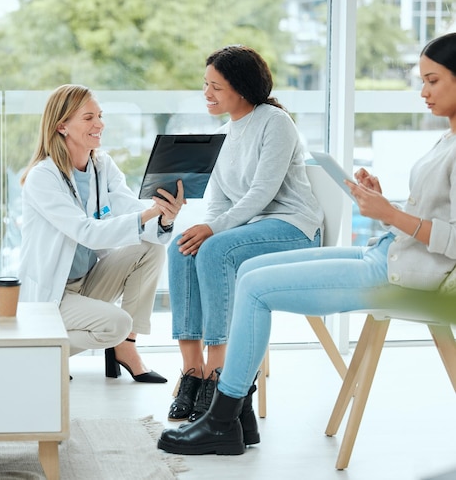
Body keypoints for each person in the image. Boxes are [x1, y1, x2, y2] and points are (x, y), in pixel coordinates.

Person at [158, 32, 456, 455]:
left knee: (249, 280)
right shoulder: (445, 139)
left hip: (403, 272)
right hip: (389, 253)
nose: (422, 92)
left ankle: (223, 416)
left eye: (433, 80)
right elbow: (434, 214)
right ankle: (233, 411)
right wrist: (383, 201)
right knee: (237, 267)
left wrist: (389, 214)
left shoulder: (273, 123)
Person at [167, 45, 324, 423]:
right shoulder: (226, 133)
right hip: (250, 230)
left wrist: (214, 231)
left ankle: (220, 373)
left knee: (214, 248)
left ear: (241, 88)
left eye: (216, 87)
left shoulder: (275, 121)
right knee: (181, 248)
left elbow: (262, 192)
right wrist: (206, 229)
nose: (207, 94)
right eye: (206, 84)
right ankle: (192, 370)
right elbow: (218, 204)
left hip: (292, 227)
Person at [19, 84, 184, 383]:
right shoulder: (42, 177)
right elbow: (87, 233)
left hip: (89, 281)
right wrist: (148, 213)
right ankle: (43, 350)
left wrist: (164, 216)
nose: (100, 124)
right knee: (117, 322)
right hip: (54, 294)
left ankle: (126, 346)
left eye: (100, 115)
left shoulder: (101, 165)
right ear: (62, 127)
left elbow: (129, 209)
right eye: (88, 117)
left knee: (151, 248)